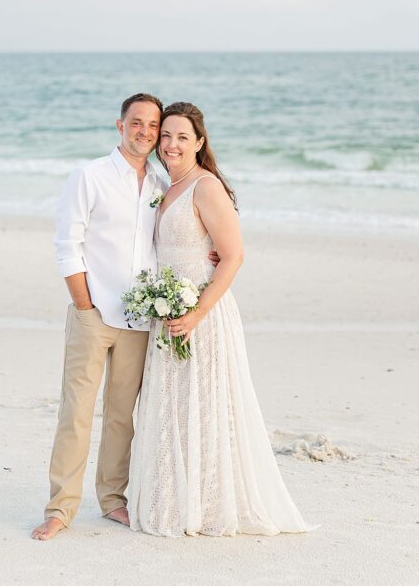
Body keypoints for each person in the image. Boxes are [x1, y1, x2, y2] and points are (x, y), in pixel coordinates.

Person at [127, 102, 312, 536]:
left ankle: (207, 507)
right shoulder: (162, 185)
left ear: (200, 143)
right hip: (166, 311)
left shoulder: (205, 186)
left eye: (182, 137)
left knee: (205, 408)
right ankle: (173, 501)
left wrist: (196, 313)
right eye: (166, 135)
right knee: (173, 408)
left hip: (201, 314)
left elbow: (233, 256)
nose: (171, 144)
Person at [32, 93, 170, 540]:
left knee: (120, 416)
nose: (145, 131)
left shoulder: (161, 185)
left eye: (153, 125)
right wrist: (84, 306)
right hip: (93, 313)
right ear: (120, 125)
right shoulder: (88, 175)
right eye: (137, 122)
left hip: (138, 321)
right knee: (76, 412)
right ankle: (60, 508)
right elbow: (66, 244)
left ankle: (112, 500)